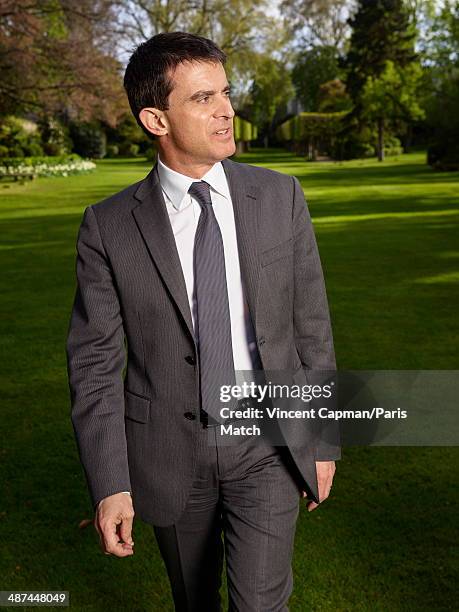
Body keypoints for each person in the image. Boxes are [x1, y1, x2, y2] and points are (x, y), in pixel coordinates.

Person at [66, 31, 340, 612]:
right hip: (166, 453)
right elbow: (93, 365)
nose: (226, 111)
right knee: (194, 600)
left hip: (266, 443)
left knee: (260, 605)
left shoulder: (281, 196)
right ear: (155, 119)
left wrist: (322, 439)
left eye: (226, 93)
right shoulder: (108, 226)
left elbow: (311, 326)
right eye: (202, 98)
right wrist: (111, 483)